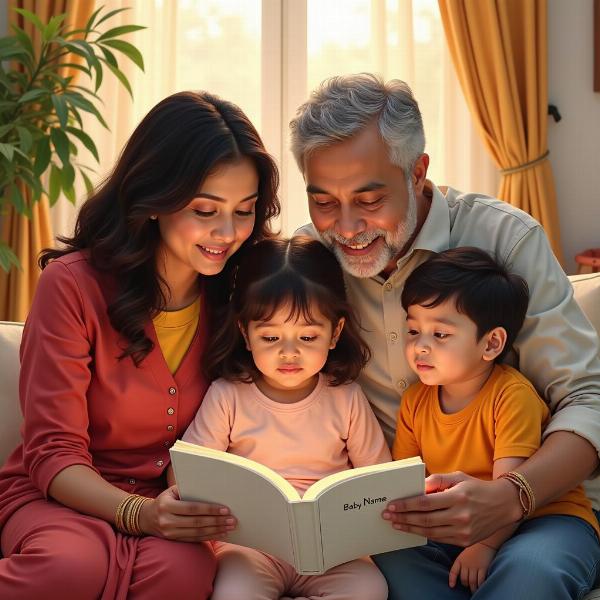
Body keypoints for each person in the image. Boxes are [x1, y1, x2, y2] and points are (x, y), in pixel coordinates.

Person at [290, 73, 600, 597]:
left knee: (530, 576)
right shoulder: (306, 263)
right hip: (409, 522)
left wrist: (512, 496)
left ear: (418, 172)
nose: (345, 227)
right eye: (323, 202)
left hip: (539, 511)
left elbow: (586, 398)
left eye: (368, 199)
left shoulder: (505, 238)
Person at [0, 90, 280, 599]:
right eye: (205, 209)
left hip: (172, 506)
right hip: (60, 494)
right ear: (156, 198)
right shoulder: (72, 286)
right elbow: (52, 451)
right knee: (71, 566)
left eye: (244, 211)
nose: (227, 232)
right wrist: (138, 514)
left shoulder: (242, 293)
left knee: (182, 575)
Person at [374, 246, 600, 598]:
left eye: (440, 334)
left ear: (491, 343)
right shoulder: (415, 401)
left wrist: (485, 547)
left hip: (542, 518)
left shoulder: (510, 395)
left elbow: (508, 493)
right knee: (389, 559)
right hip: (455, 528)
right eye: (413, 331)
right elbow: (408, 481)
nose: (420, 347)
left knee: (532, 569)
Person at [178, 236, 390, 600]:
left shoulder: (346, 396)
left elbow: (377, 477)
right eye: (271, 336)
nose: (289, 353)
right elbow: (190, 472)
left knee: (371, 589)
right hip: (250, 547)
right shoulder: (228, 394)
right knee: (232, 594)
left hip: (332, 551)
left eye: (308, 337)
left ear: (335, 333)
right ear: (245, 333)